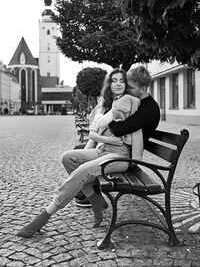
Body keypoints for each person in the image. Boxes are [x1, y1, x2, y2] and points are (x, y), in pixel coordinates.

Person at [17, 68, 142, 238]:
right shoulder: (110, 104)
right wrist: (102, 142)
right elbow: (96, 131)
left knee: (82, 172)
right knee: (68, 158)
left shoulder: (131, 104)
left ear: (126, 84)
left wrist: (136, 160)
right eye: (114, 80)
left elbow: (136, 130)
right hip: (103, 150)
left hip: (119, 155)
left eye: (122, 80)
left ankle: (44, 216)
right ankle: (95, 199)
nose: (118, 84)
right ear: (109, 84)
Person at [75, 65, 161, 206]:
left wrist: (108, 114)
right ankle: (89, 194)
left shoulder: (148, 109)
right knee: (77, 150)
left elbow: (119, 129)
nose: (126, 90)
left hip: (127, 154)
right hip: (117, 146)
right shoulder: (132, 100)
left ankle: (88, 194)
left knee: (79, 154)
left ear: (143, 89)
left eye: (131, 87)